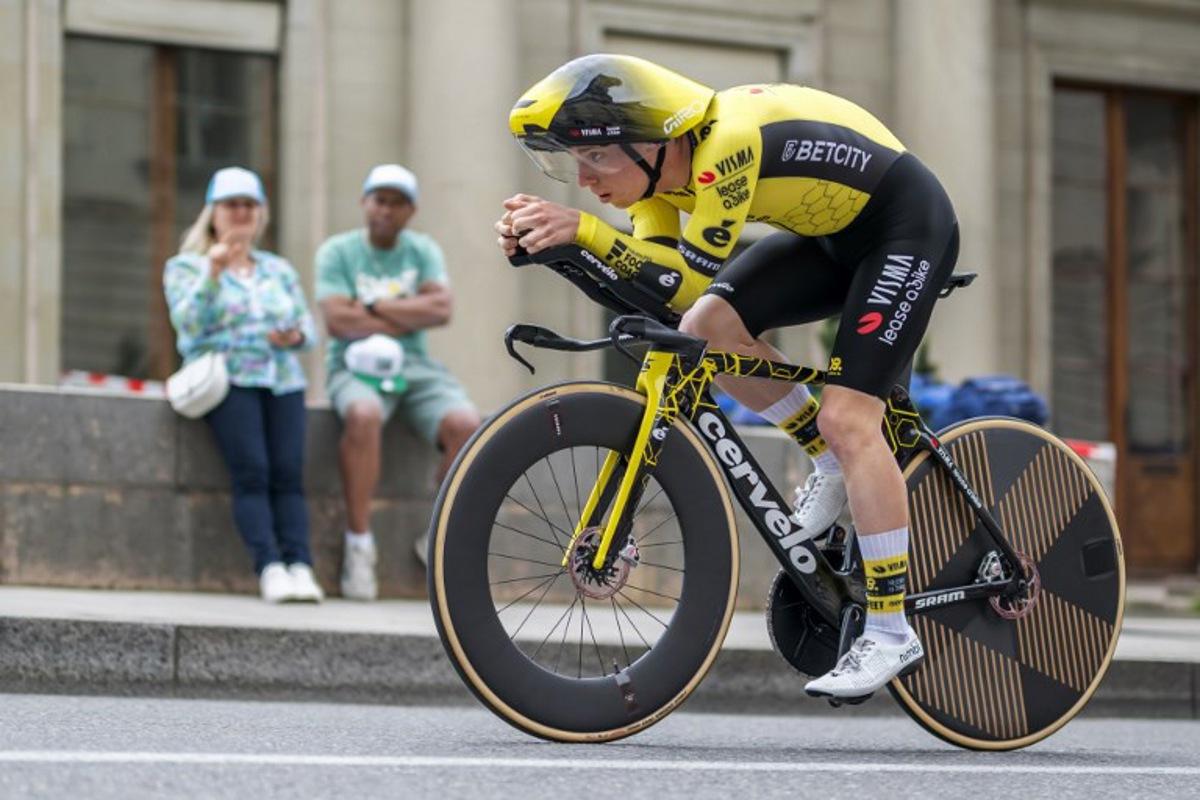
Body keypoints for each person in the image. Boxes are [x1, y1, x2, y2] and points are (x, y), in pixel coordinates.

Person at [494, 55, 959, 699]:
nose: (583, 179)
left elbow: (683, 276)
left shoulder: (725, 148)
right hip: (830, 236)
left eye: (596, 159)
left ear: (652, 142)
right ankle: (827, 461)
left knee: (851, 417)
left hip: (905, 228)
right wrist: (561, 250)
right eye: (572, 163)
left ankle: (888, 628)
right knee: (705, 329)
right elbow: (663, 295)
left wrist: (586, 233)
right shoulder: (655, 180)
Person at [317, 164, 481, 601]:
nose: (386, 210)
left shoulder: (421, 249)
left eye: (397, 202)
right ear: (364, 203)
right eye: (379, 200)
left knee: (466, 423)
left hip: (414, 364)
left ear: (412, 210)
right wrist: (406, 309)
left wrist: (368, 307)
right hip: (353, 364)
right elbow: (336, 320)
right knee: (363, 414)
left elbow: (441, 310)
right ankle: (359, 545)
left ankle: (437, 537)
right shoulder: (338, 251)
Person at [165, 166, 324, 604]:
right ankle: (269, 565)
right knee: (252, 472)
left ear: (261, 214)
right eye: (232, 205)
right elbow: (188, 329)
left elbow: (308, 328)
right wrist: (212, 273)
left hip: (282, 380)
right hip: (231, 379)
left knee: (289, 474)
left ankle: (301, 564)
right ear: (213, 213)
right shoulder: (187, 267)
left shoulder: (276, 269)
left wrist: (293, 335)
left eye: (249, 205)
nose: (241, 214)